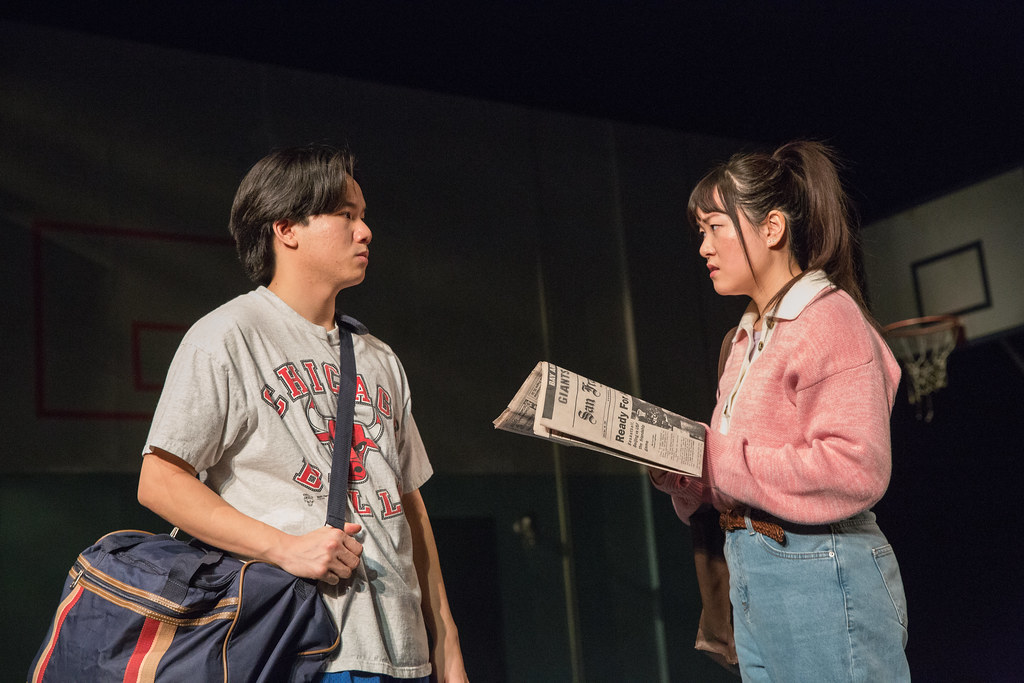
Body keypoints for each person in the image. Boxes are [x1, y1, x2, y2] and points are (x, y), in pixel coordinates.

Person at [138, 144, 469, 683]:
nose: (365, 232)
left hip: (405, 655)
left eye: (362, 217)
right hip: (301, 650)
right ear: (286, 227)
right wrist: (286, 548)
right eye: (346, 216)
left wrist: (448, 648)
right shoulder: (228, 336)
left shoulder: (379, 356)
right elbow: (159, 481)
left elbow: (410, 505)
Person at [650, 141, 910, 681]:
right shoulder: (744, 338)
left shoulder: (828, 319)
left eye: (716, 227)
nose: (703, 246)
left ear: (771, 229)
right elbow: (737, 472)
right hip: (755, 572)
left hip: (821, 570)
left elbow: (855, 468)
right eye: (701, 232)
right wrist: (687, 474)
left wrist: (712, 456)